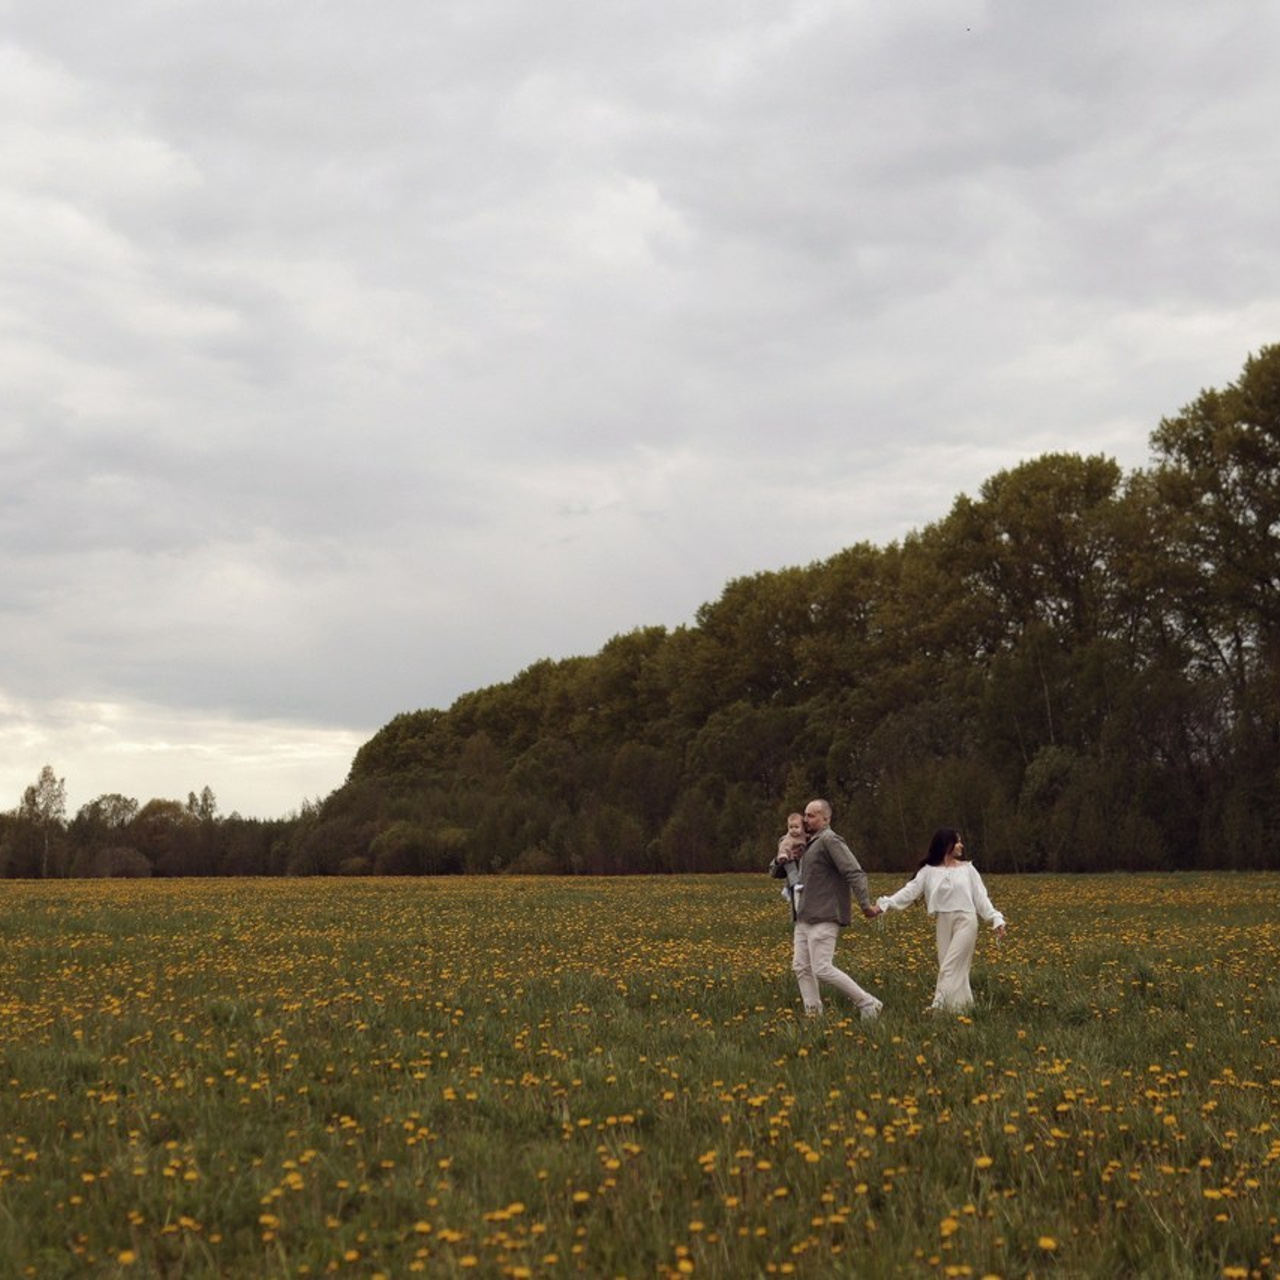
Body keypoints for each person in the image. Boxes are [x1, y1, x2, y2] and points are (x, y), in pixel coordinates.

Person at [870, 827, 1006, 1013]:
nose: (961, 845)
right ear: (947, 845)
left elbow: (981, 897)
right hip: (943, 921)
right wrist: (884, 905)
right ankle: (962, 1009)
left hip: (966, 920)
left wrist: (995, 918)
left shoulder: (968, 869)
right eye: (957, 841)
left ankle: (937, 1007)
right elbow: (909, 891)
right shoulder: (928, 871)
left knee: (949, 967)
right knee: (951, 966)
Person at [771, 799, 882, 1020]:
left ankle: (868, 1003)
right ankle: (814, 1015)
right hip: (802, 916)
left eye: (812, 815)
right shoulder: (800, 842)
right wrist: (782, 860)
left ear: (826, 818)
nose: (806, 819)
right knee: (801, 967)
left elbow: (855, 873)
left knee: (821, 967)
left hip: (825, 914)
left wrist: (866, 906)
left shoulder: (830, 840)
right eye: (805, 814)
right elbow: (776, 872)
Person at [771, 812, 807, 918]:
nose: (793, 830)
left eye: (796, 827)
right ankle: (791, 887)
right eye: (791, 827)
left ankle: (787, 888)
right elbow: (784, 847)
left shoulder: (808, 837)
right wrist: (781, 857)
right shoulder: (787, 839)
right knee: (792, 870)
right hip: (788, 860)